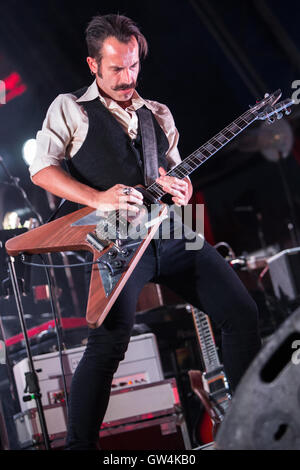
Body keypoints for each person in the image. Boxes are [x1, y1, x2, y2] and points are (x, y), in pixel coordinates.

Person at [29, 14, 262, 450]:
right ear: (93, 65)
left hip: (173, 230)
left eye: (133, 66)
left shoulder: (158, 113)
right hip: (114, 237)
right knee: (108, 345)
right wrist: (99, 199)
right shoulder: (70, 108)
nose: (127, 77)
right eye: (116, 68)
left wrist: (182, 186)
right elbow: (42, 171)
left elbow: (174, 175)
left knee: (241, 312)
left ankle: (253, 426)